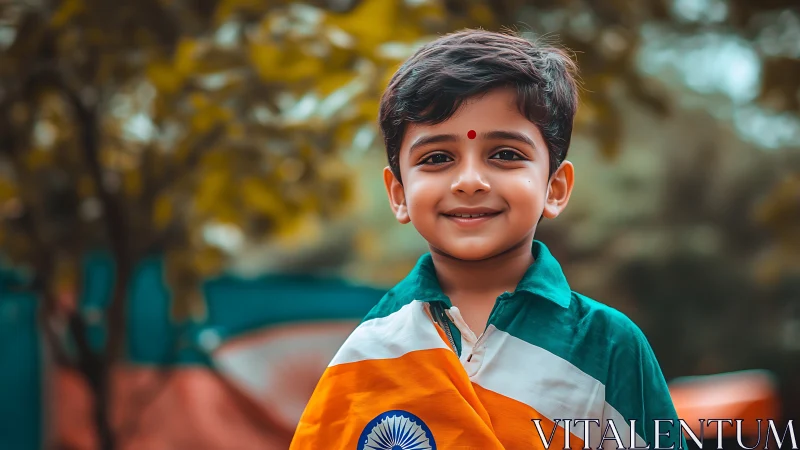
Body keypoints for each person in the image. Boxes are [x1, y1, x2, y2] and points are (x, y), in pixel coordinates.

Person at [290, 29, 686, 450]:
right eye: (437, 158)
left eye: (505, 154)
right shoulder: (370, 349)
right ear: (399, 194)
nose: (470, 181)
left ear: (554, 188)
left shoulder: (606, 345)